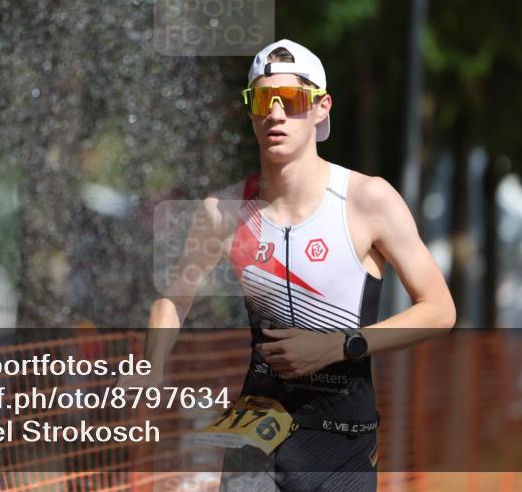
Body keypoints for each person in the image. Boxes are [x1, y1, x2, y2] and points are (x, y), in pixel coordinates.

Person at [126, 39, 456, 491]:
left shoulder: (367, 200)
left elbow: (439, 309)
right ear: (249, 110)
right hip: (254, 440)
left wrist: (339, 346)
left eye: (293, 100)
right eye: (263, 99)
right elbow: (173, 297)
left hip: (340, 445)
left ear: (321, 108)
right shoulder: (222, 211)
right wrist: (153, 368)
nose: (276, 113)